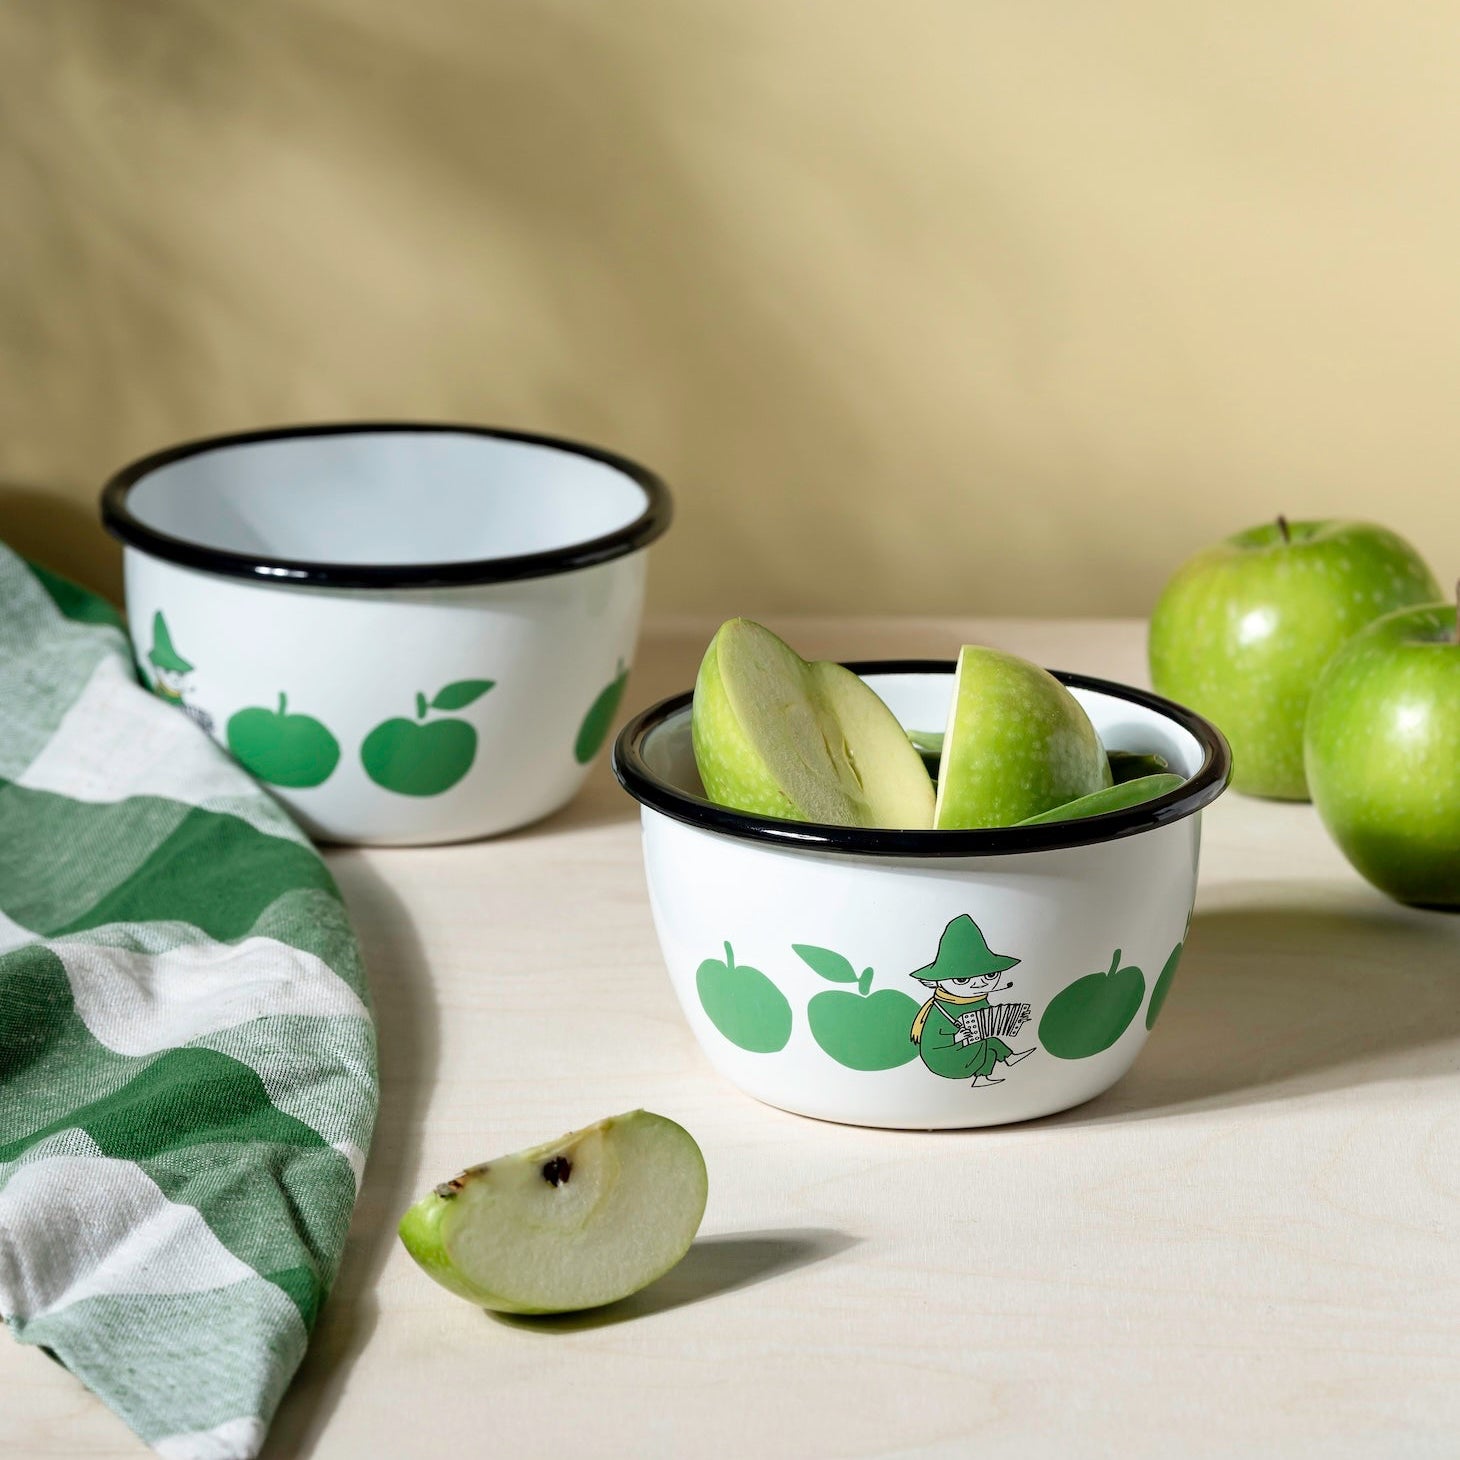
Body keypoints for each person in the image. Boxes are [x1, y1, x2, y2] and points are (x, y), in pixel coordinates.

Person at [908, 914, 1034, 1087]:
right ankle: (1006, 1059)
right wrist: (957, 1037)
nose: (980, 983)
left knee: (989, 1044)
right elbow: (933, 1043)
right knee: (987, 1044)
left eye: (990, 975)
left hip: (971, 1050)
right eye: (962, 980)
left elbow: (992, 1021)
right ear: (937, 981)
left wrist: (1015, 1019)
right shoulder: (941, 1008)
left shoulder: (979, 1000)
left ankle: (988, 1073)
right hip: (947, 1057)